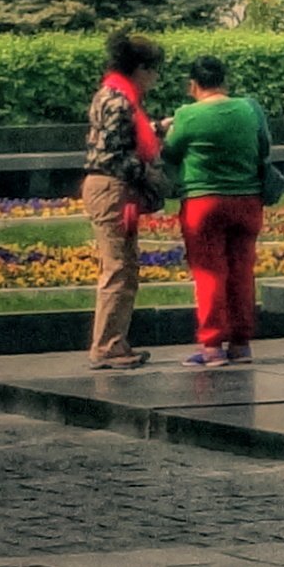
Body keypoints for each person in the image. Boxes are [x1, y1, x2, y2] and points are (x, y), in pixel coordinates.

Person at [164, 54, 282, 370]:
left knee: (209, 272)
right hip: (247, 201)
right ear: (224, 80)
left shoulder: (188, 115)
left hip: (203, 202)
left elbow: (170, 153)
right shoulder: (250, 108)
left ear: (193, 84)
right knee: (242, 271)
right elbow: (264, 146)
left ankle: (213, 346)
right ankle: (241, 343)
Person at [80, 30, 166, 367]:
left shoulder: (112, 94)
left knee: (124, 265)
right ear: (140, 68)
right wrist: (149, 176)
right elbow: (112, 156)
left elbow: (120, 139)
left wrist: (157, 128)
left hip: (111, 190)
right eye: (154, 70)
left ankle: (114, 342)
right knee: (119, 268)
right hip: (112, 189)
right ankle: (107, 346)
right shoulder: (118, 100)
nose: (155, 78)